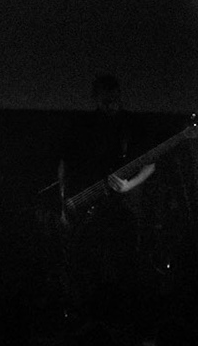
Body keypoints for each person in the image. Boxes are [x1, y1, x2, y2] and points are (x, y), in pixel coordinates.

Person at [56, 75, 155, 316]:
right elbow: (64, 164)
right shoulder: (84, 125)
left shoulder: (130, 125)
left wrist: (128, 186)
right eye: (105, 99)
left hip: (120, 206)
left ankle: (119, 313)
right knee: (85, 262)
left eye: (114, 98)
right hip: (84, 205)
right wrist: (63, 201)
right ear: (96, 98)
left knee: (121, 260)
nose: (110, 103)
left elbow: (149, 164)